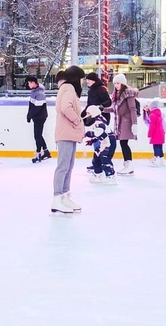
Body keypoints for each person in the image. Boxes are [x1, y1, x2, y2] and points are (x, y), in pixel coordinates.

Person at [51, 65, 85, 214]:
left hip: (69, 133)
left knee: (68, 166)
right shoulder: (69, 89)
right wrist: (77, 120)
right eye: (81, 79)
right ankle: (57, 198)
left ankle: (65, 196)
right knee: (63, 166)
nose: (82, 82)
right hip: (65, 132)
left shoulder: (68, 89)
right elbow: (65, 107)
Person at [110, 73, 139, 175]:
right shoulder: (116, 95)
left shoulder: (128, 94)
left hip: (126, 122)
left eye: (118, 83)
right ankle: (127, 164)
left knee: (124, 143)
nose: (116, 85)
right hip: (120, 122)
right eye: (115, 83)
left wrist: (134, 123)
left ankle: (129, 164)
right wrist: (102, 109)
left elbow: (133, 109)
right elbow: (114, 108)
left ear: (123, 83)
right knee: (123, 143)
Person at [83, 104, 116, 183]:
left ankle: (110, 176)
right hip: (104, 142)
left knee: (104, 159)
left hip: (109, 142)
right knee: (96, 158)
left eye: (89, 114)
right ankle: (99, 174)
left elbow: (98, 132)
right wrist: (93, 141)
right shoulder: (99, 120)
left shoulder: (99, 122)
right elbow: (101, 134)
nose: (88, 116)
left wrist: (87, 134)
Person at [26, 75, 50, 163]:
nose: (28, 84)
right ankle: (46, 152)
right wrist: (29, 115)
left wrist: (29, 116)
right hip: (37, 116)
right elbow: (31, 105)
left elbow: (37, 108)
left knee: (37, 135)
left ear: (33, 83)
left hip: (40, 117)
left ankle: (39, 153)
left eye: (29, 83)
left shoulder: (39, 93)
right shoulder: (34, 91)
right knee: (38, 135)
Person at [145, 100, 166, 167]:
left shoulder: (152, 115)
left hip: (156, 133)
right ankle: (161, 160)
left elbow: (152, 126)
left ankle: (156, 159)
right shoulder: (158, 114)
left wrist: (149, 134)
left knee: (156, 147)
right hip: (161, 132)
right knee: (160, 146)